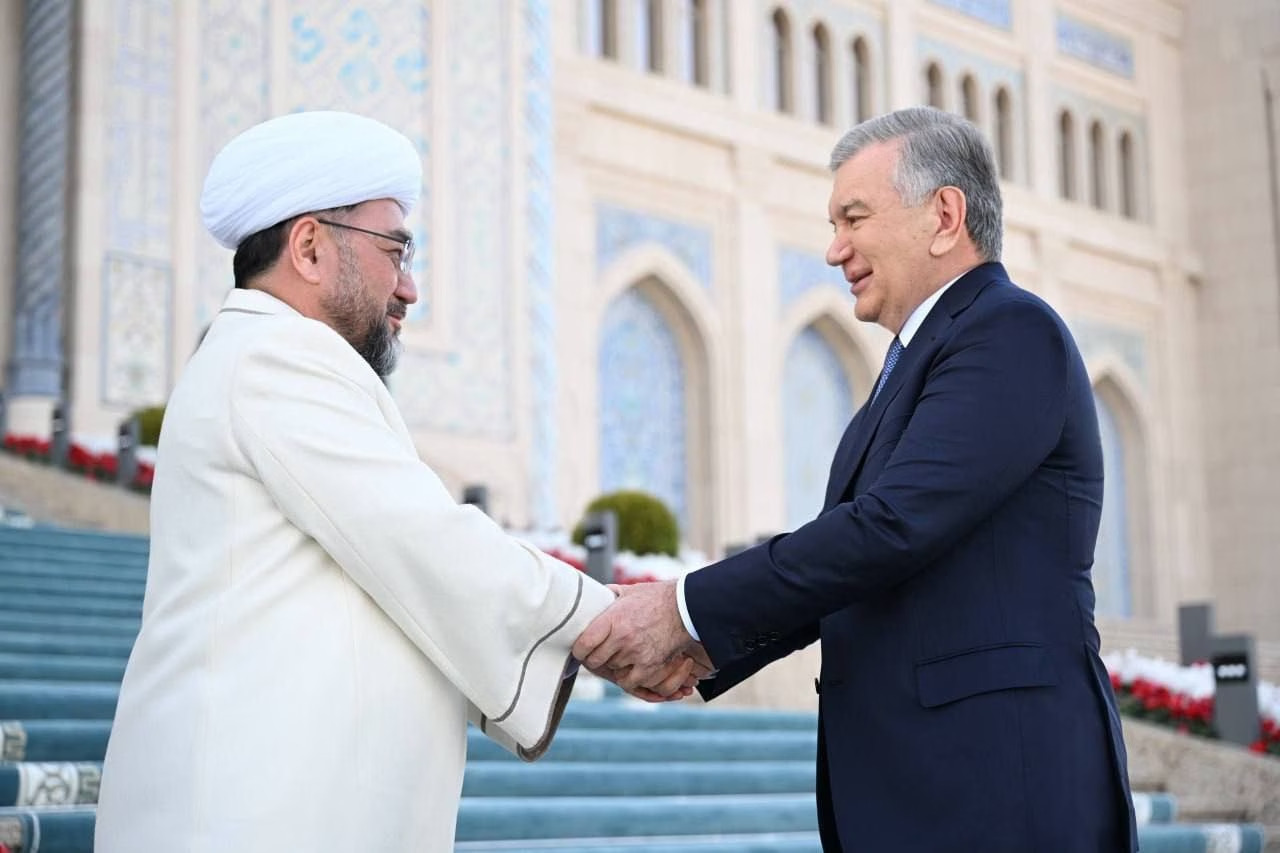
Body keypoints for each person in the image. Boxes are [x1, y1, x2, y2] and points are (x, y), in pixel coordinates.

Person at [94, 110, 696, 852]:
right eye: (395, 251)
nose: (408, 288)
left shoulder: (269, 357)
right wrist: (615, 621)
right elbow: (426, 539)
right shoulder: (272, 359)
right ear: (309, 247)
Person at [574, 106, 1138, 852]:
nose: (834, 248)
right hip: (928, 792)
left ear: (944, 216)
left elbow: (890, 528)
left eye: (854, 217)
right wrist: (704, 646)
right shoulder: (913, 365)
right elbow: (859, 559)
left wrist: (683, 610)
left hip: (1002, 787)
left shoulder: (1010, 331)